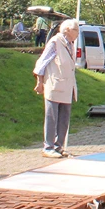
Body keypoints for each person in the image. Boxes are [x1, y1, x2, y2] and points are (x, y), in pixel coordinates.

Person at [33, 18, 80, 159]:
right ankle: (48, 147)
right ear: (67, 30)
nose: (78, 33)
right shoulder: (55, 42)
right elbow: (41, 63)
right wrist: (39, 82)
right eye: (76, 30)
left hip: (67, 87)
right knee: (51, 117)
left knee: (64, 119)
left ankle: (59, 146)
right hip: (54, 85)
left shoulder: (71, 44)